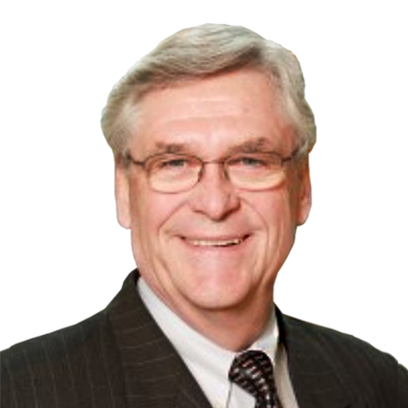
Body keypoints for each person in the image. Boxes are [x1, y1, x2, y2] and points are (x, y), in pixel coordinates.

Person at [1, 23, 406, 408]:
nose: (215, 204)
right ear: (124, 191)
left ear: (302, 187)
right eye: (174, 163)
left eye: (250, 160)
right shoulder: (19, 391)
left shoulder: (382, 385)